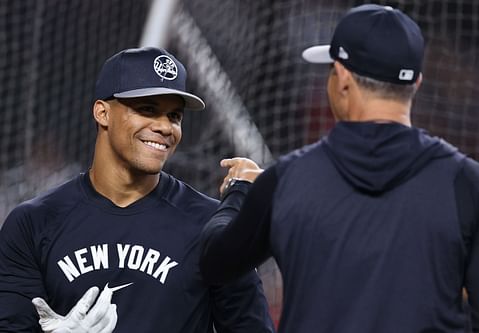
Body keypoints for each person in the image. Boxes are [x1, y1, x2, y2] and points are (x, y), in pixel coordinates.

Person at [199, 4, 479, 333]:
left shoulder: (285, 183)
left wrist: (241, 191)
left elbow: (215, 264)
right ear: (416, 83)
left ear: (342, 78)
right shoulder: (470, 184)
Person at [0, 46, 275, 333]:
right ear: (102, 113)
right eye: (147, 110)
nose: (165, 127)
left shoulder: (211, 227)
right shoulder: (33, 223)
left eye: (174, 116)